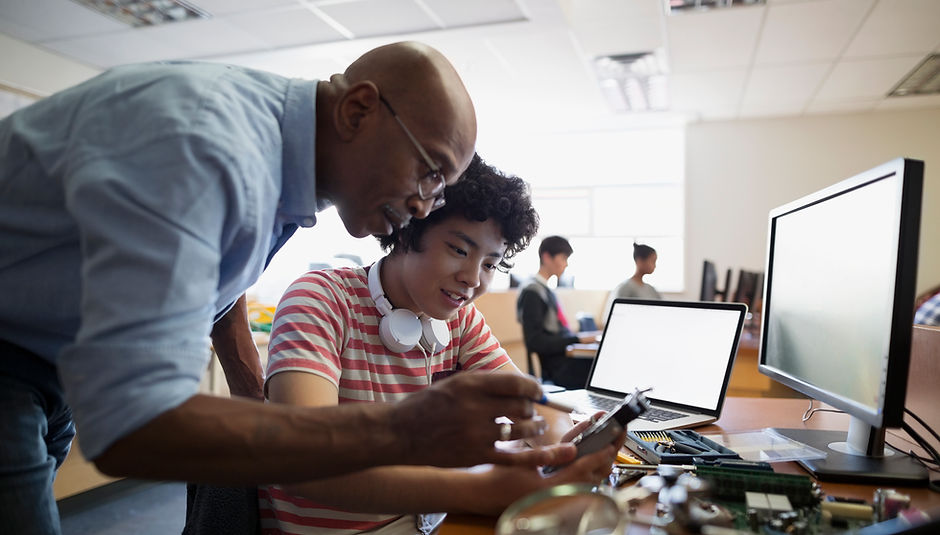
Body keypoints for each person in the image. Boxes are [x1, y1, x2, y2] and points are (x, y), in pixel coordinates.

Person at [0, 42, 573, 534]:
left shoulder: (276, 173)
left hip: (50, 357)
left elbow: (216, 285)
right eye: (428, 173)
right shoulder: (210, 153)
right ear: (358, 110)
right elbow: (134, 426)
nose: (425, 205)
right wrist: (403, 429)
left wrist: (259, 400)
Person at [259, 155, 621, 534]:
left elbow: (530, 406)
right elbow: (305, 463)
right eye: (459, 250)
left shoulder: (458, 319)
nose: (472, 279)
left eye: (490, 265)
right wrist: (476, 491)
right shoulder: (320, 299)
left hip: (426, 522)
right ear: (404, 230)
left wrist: (565, 448)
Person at [516, 236, 597, 389]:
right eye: (563, 258)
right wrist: (578, 339)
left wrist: (579, 339)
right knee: (599, 367)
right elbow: (535, 341)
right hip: (557, 368)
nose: (566, 264)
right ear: (547, 257)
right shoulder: (532, 292)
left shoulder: (545, 290)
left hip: (565, 359)